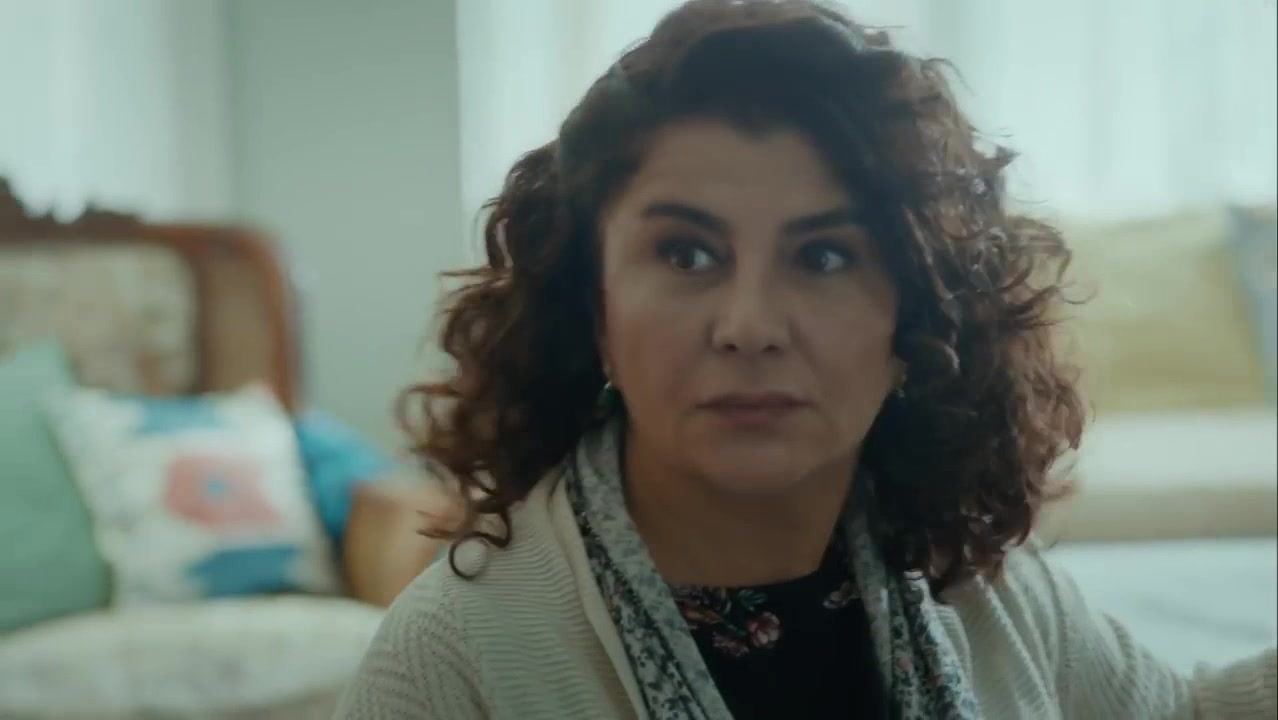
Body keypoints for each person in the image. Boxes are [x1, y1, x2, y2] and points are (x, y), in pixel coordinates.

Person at [336, 1, 1276, 717]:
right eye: (686, 254)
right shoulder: (456, 659)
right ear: (595, 308)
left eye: (823, 257)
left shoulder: (980, 587)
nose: (750, 326)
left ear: (916, 321)